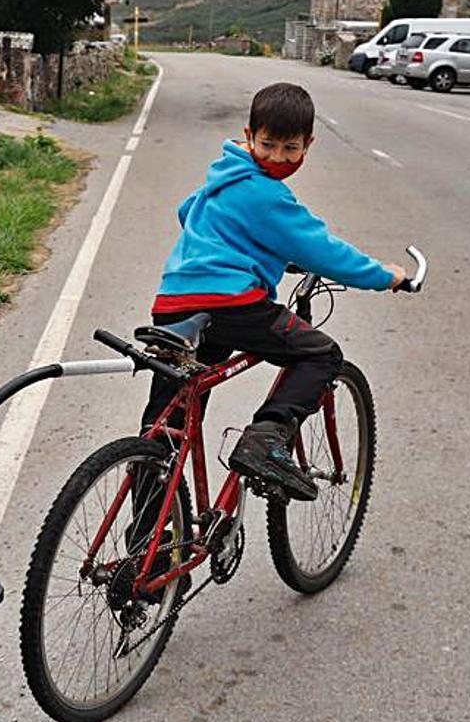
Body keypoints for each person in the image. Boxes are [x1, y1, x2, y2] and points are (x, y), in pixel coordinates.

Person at [139, 82, 405, 502]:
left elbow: (186, 212)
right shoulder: (266, 193)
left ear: (307, 144)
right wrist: (383, 275)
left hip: (174, 306)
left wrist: (247, 245)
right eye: (268, 145)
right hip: (231, 307)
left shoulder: (222, 177)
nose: (277, 157)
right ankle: (266, 439)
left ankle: (146, 547)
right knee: (322, 354)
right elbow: (322, 250)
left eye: (289, 149)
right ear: (249, 135)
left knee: (163, 428)